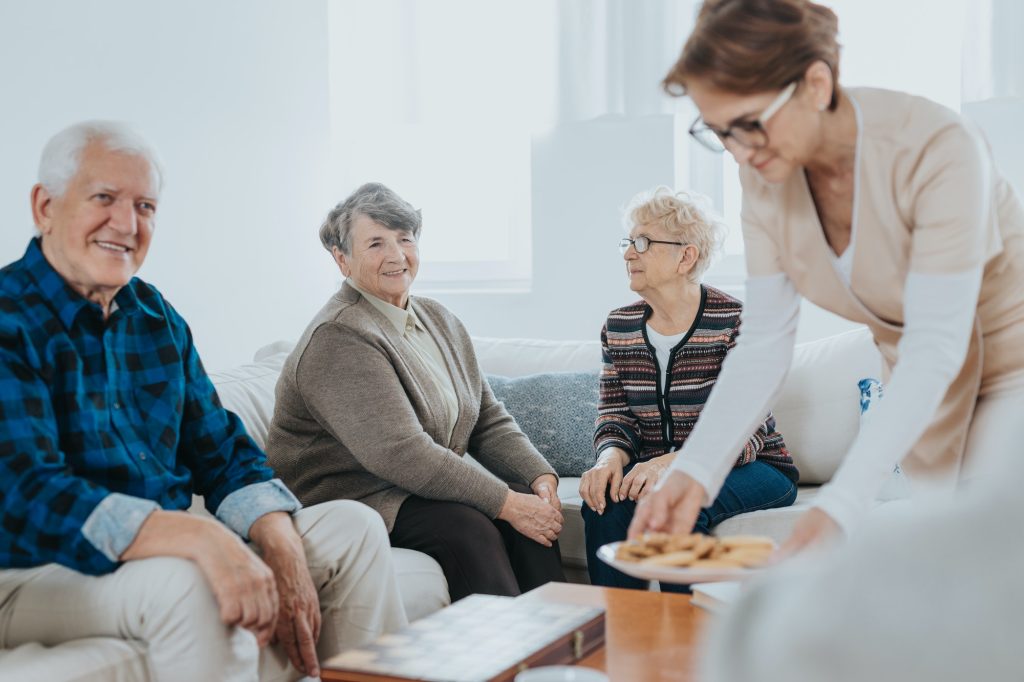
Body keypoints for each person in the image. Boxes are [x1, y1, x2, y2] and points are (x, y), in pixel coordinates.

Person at [0, 122, 407, 682]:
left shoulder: (154, 316)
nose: (127, 223)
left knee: (356, 528)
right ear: (45, 206)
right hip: (31, 567)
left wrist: (277, 534)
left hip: (154, 549)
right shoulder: (8, 317)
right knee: (191, 578)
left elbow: (222, 449)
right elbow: (27, 491)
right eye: (104, 199)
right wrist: (197, 536)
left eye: (145, 206)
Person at [630, 0, 1024, 554]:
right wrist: (696, 468)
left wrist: (842, 504)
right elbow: (765, 344)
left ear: (816, 84)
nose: (737, 152)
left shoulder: (938, 148)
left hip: (1012, 378)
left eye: (749, 124)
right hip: (925, 402)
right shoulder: (764, 175)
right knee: (949, 590)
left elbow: (938, 343)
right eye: (718, 130)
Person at [266, 182, 565, 602]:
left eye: (404, 239)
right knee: (471, 526)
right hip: (350, 497)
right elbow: (402, 452)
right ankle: (498, 663)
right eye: (375, 243)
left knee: (534, 523)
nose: (395, 255)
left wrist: (539, 478)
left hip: (409, 489)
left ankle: (564, 653)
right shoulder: (340, 335)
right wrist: (506, 504)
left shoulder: (438, 319)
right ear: (341, 259)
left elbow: (486, 417)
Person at [580, 187, 798, 590]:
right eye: (628, 242)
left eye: (642, 242)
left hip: (757, 468)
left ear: (686, 256)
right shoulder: (619, 327)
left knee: (678, 504)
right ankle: (618, 633)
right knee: (601, 504)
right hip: (658, 472)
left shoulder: (735, 321)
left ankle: (687, 639)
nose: (629, 253)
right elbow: (615, 416)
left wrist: (670, 464)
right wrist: (608, 460)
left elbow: (746, 433)